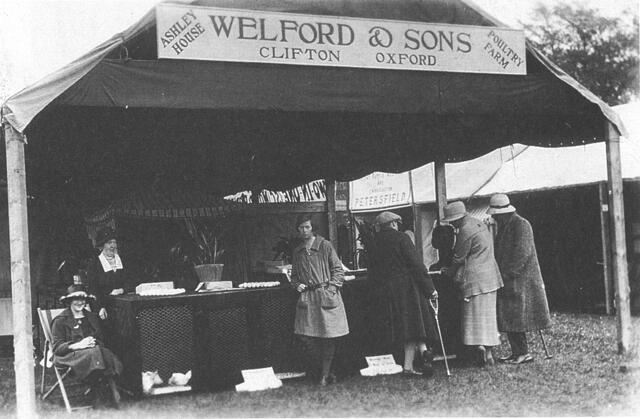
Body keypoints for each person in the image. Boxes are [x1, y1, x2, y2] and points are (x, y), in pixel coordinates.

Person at [487, 193, 552, 364]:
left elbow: (522, 254)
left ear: (504, 212)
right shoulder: (505, 225)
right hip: (510, 278)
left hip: (520, 280)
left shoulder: (521, 225)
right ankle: (517, 352)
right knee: (509, 316)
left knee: (516, 316)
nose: (494, 217)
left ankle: (523, 352)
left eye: (496, 214)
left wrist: (508, 274)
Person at [371, 211, 438, 377]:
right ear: (394, 224)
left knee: (411, 325)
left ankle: (422, 354)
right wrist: (430, 289)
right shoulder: (402, 238)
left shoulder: (375, 242)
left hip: (386, 291)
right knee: (413, 325)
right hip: (407, 288)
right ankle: (411, 364)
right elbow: (416, 265)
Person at [442, 201, 503, 366]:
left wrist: (449, 271)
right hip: (490, 278)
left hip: (475, 280)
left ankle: (478, 349)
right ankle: (489, 353)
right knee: (488, 318)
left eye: (452, 221)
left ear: (457, 218)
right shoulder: (479, 224)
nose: (452, 224)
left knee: (473, 317)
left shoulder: (465, 230)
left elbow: (459, 257)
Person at [290, 214, 349, 386]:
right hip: (308, 298)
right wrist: (296, 285)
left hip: (325, 296)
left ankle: (324, 375)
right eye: (301, 227)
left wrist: (331, 289)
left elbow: (338, 270)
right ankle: (327, 371)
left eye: (307, 227)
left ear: (312, 228)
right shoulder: (298, 251)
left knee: (328, 336)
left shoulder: (325, 246)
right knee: (306, 336)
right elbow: (294, 276)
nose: (304, 230)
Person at [51, 284, 124, 408]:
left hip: (94, 354)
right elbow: (57, 348)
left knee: (102, 352)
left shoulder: (92, 317)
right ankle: (104, 393)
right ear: (69, 301)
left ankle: (100, 391)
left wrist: (92, 341)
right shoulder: (60, 320)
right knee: (96, 353)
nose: (80, 302)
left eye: (82, 299)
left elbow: (101, 339)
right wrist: (79, 345)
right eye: (76, 299)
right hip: (70, 356)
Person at [86, 227, 135, 320]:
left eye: (114, 242)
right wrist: (100, 307)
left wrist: (122, 290)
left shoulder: (124, 261)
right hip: (105, 309)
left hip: (125, 308)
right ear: (102, 246)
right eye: (109, 243)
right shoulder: (94, 264)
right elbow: (93, 288)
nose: (113, 246)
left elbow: (131, 281)